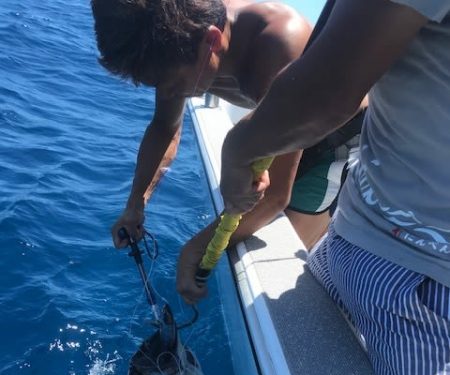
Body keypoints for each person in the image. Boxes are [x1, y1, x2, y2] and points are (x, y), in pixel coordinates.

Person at [178, 0, 450, 375]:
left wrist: (241, 146)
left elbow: (325, 93)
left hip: (423, 286)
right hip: (354, 241)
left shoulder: (274, 41)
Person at [91, 0, 364, 253]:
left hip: (332, 142)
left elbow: (276, 195)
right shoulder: (183, 36)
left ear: (212, 41)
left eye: (173, 85)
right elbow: (164, 125)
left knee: (288, 246)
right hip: (282, 126)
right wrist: (136, 202)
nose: (169, 93)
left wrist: (194, 250)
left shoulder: (280, 46)